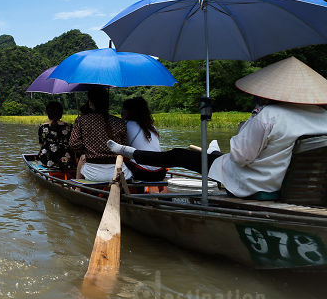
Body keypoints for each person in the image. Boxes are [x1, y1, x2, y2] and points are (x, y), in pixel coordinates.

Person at [108, 57, 327, 200]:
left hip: (254, 182)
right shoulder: (323, 117)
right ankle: (212, 153)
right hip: (296, 186)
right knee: (211, 156)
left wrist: (248, 124)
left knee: (179, 155)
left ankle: (127, 152)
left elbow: (240, 158)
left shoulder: (270, 116)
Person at [69, 86, 131, 181]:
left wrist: (86, 150)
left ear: (90, 102)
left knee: (82, 158)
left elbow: (73, 143)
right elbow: (124, 147)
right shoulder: (120, 122)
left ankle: (78, 188)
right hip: (118, 172)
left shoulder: (82, 120)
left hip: (92, 173)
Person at [121, 96, 167, 181]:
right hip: (161, 172)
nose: (121, 112)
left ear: (128, 111)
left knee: (119, 154)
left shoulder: (125, 125)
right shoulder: (152, 127)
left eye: (123, 109)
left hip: (141, 172)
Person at [37, 101, 74, 170]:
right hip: (66, 160)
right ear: (61, 113)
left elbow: (41, 143)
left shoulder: (42, 127)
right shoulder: (69, 126)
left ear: (48, 113)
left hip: (47, 159)